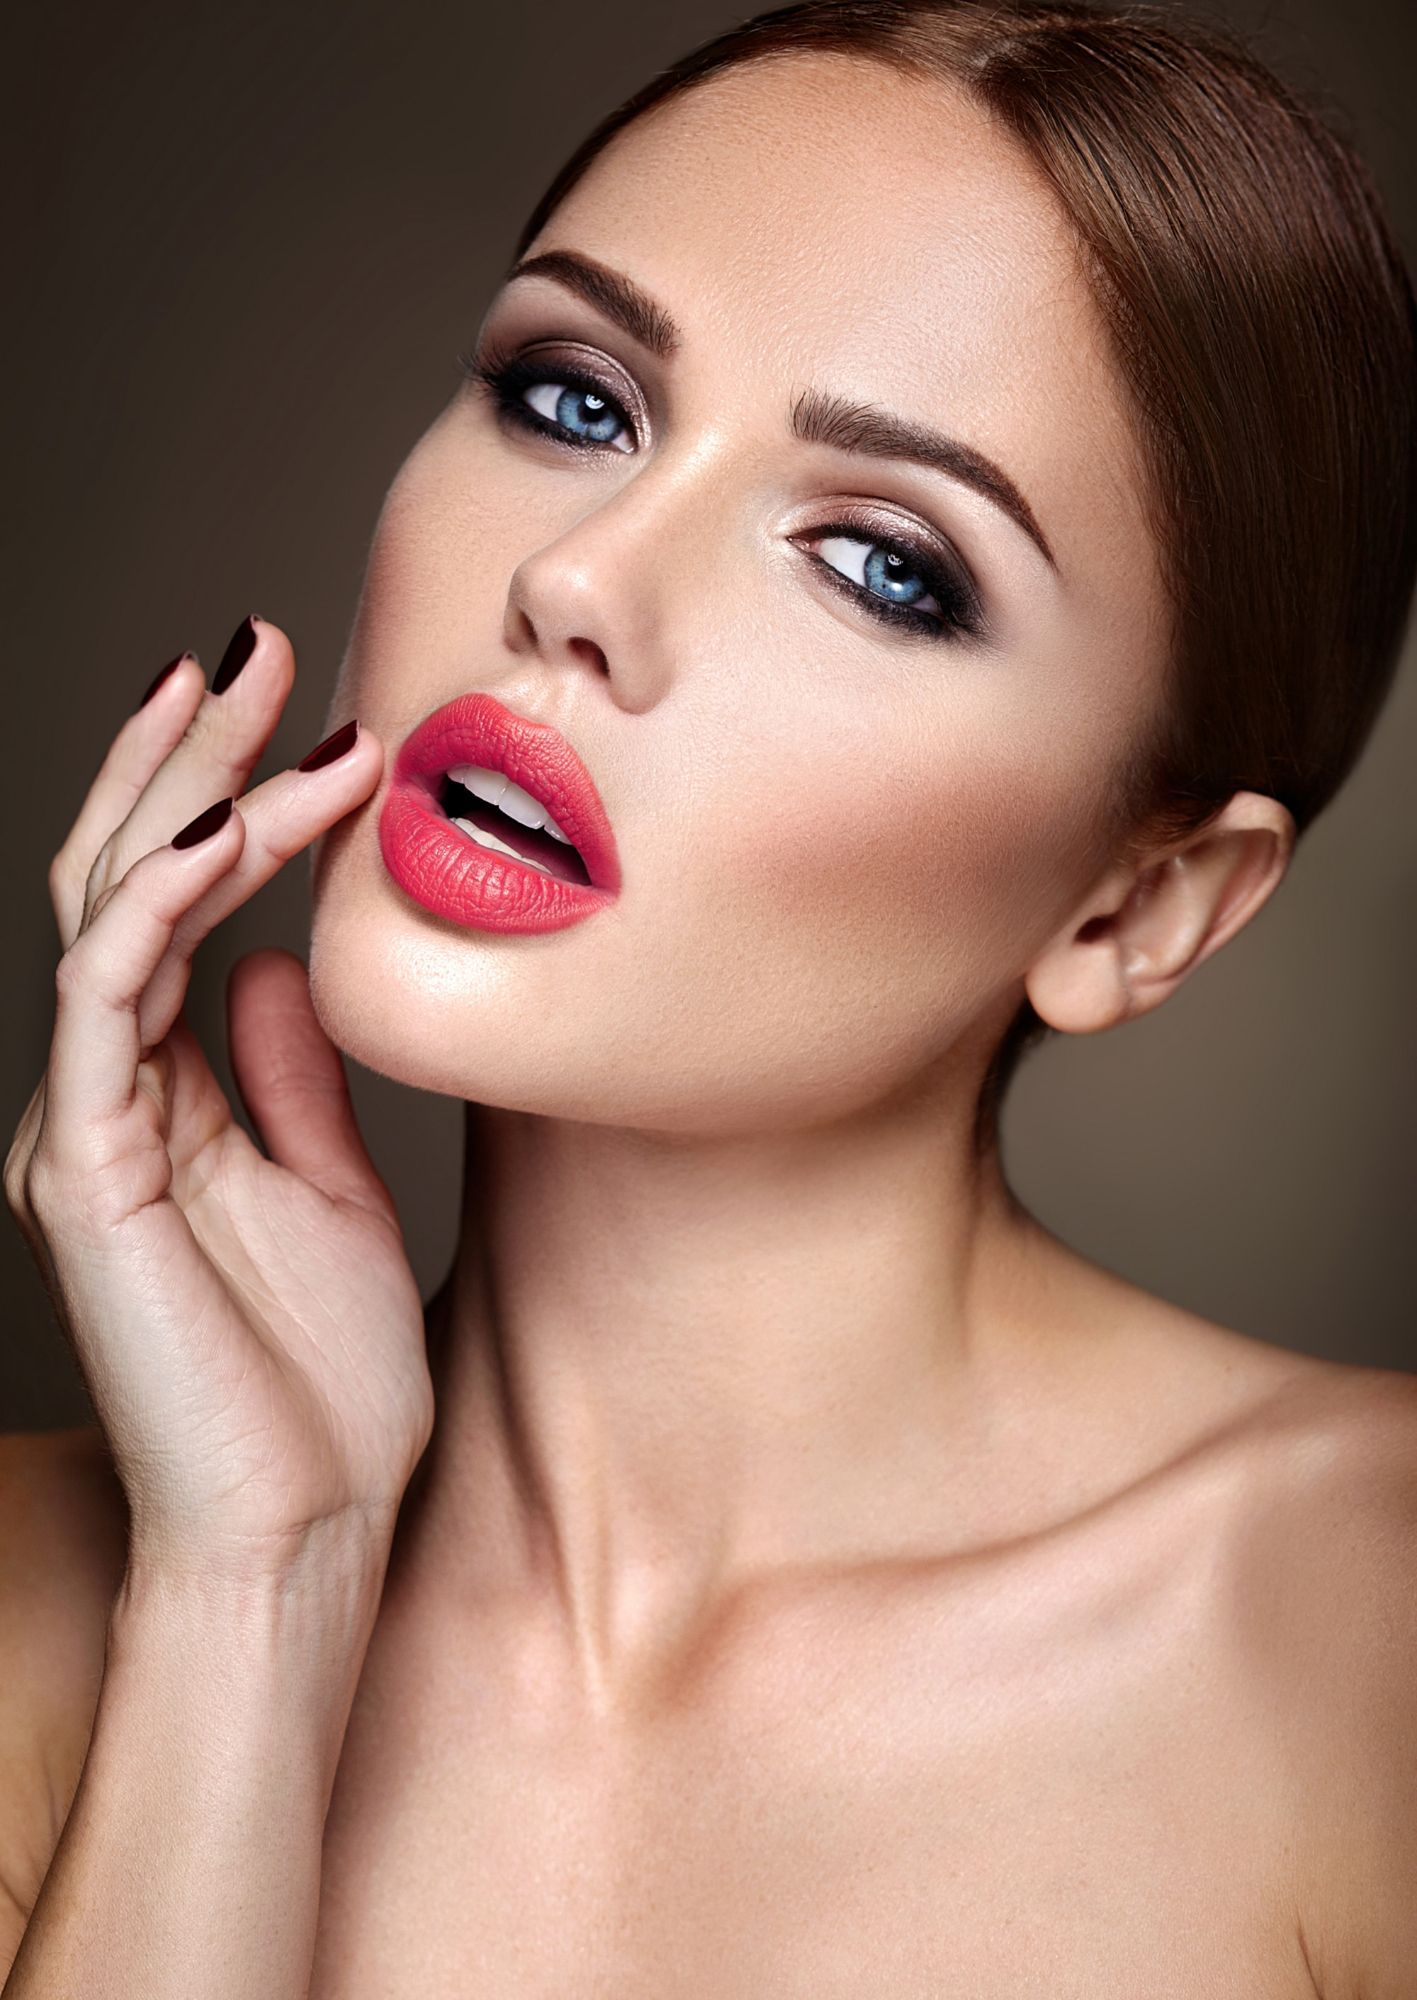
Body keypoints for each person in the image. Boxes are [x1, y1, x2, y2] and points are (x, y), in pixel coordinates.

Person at [2, 0, 1414, 1989]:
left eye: (884, 565)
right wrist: (254, 1590)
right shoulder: (45, 1622)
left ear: (1139, 903)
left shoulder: (1369, 1633)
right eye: (573, 398)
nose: (577, 579)